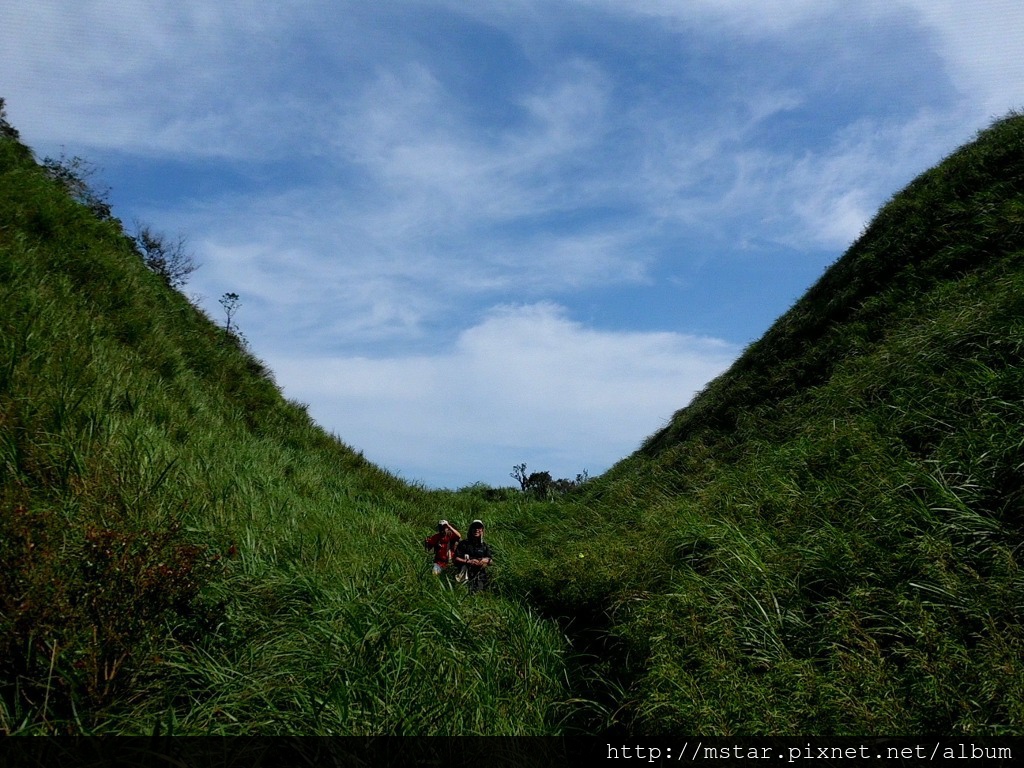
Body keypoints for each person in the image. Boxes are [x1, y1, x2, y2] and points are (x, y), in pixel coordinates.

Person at [454, 519, 493, 592]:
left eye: (479, 528)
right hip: (465, 575)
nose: (476, 530)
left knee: (478, 594)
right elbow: (456, 558)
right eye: (474, 527)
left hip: (480, 576)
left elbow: (491, 560)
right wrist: (469, 561)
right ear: (471, 529)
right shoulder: (464, 544)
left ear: (482, 530)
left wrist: (485, 560)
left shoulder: (484, 546)